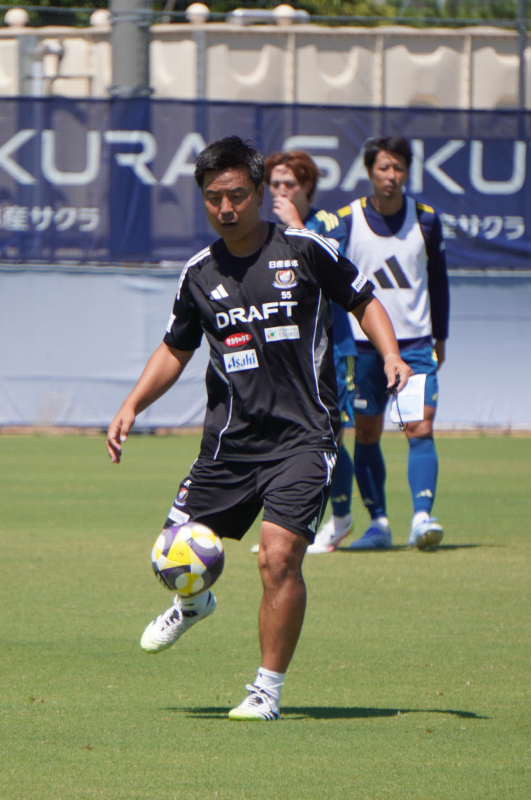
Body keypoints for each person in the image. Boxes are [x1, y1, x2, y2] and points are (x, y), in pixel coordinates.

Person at [106, 136, 411, 721]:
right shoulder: (198, 274)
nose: (226, 208)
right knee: (171, 555)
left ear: (257, 194)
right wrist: (132, 404)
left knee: (278, 557)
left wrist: (391, 354)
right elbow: (176, 348)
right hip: (229, 445)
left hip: (304, 437)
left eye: (238, 196)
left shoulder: (303, 248)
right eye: (214, 198)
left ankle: (265, 691)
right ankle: (193, 604)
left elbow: (364, 301)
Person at [308, 136, 450, 552]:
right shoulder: (346, 220)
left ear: (407, 172)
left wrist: (441, 338)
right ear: (370, 171)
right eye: (384, 168)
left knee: (418, 427)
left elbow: (438, 283)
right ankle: (379, 524)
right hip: (366, 348)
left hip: (416, 347)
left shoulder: (426, 220)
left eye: (399, 168)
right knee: (366, 434)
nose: (391, 176)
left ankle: (422, 519)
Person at [262, 151, 359, 555]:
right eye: (275, 184)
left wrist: (297, 227)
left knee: (330, 438)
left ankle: (340, 520)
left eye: (289, 184)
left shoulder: (328, 224)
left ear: (306, 187)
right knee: (287, 437)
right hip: (291, 351)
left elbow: (329, 270)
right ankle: (287, 524)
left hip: (333, 347)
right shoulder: (268, 232)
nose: (280, 191)